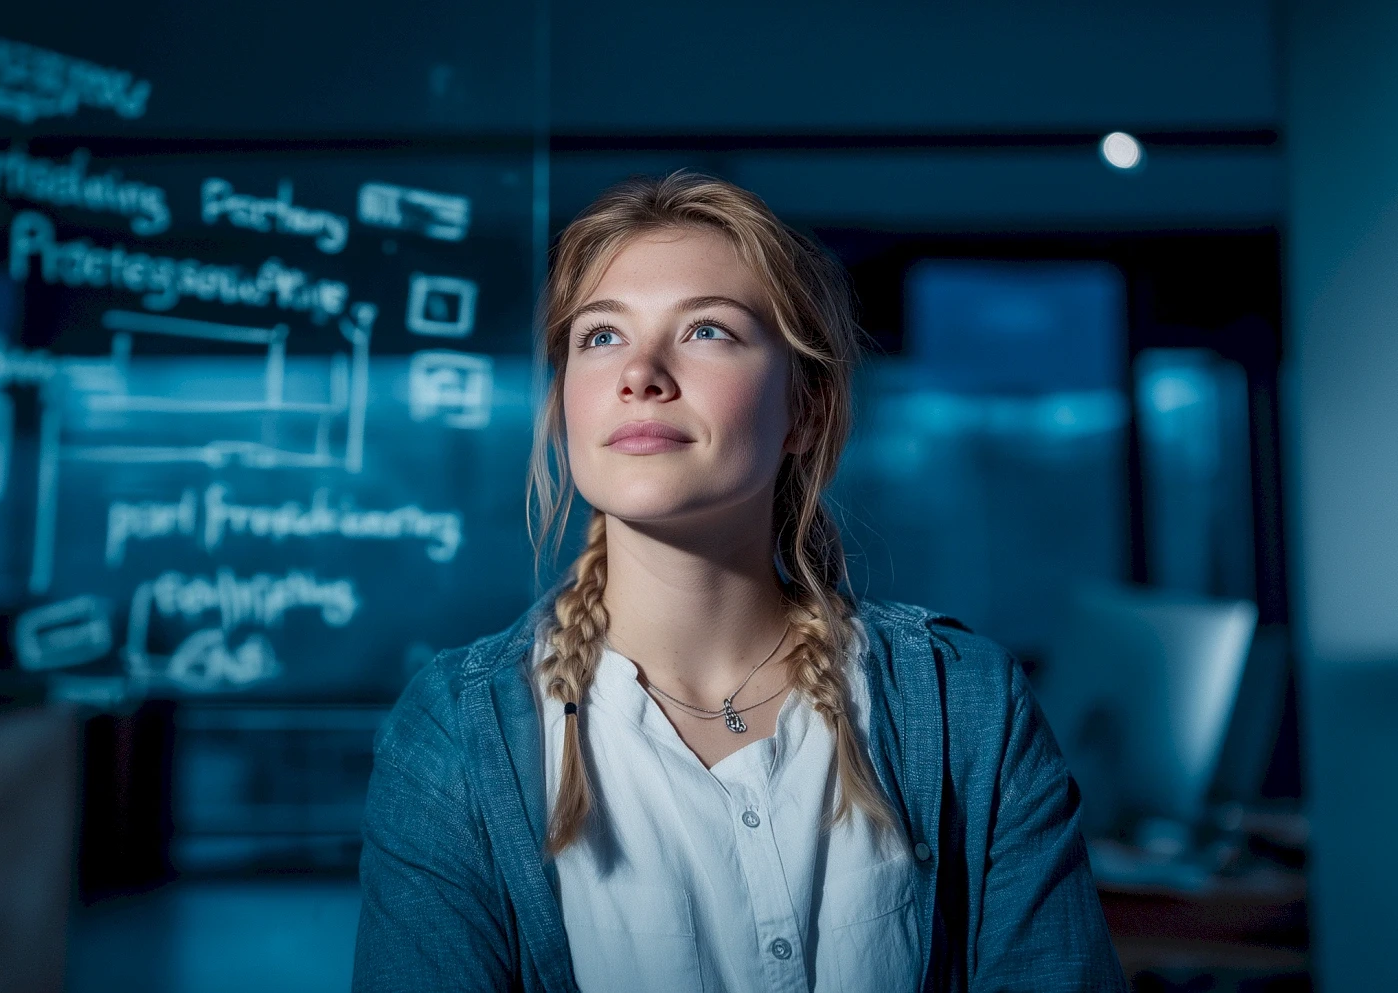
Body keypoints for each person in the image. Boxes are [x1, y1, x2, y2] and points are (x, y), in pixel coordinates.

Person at [353, 172, 1124, 992]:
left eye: (708, 330)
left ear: (806, 412)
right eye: (601, 336)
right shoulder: (454, 739)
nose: (640, 373)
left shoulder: (966, 706)